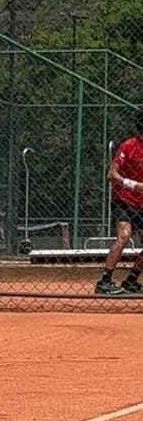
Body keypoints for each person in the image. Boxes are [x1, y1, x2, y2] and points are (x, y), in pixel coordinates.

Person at [94, 111, 143, 295]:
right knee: (124, 236)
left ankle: (130, 281)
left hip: (142, 204)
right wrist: (134, 185)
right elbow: (111, 175)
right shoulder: (129, 146)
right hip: (124, 199)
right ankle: (104, 281)